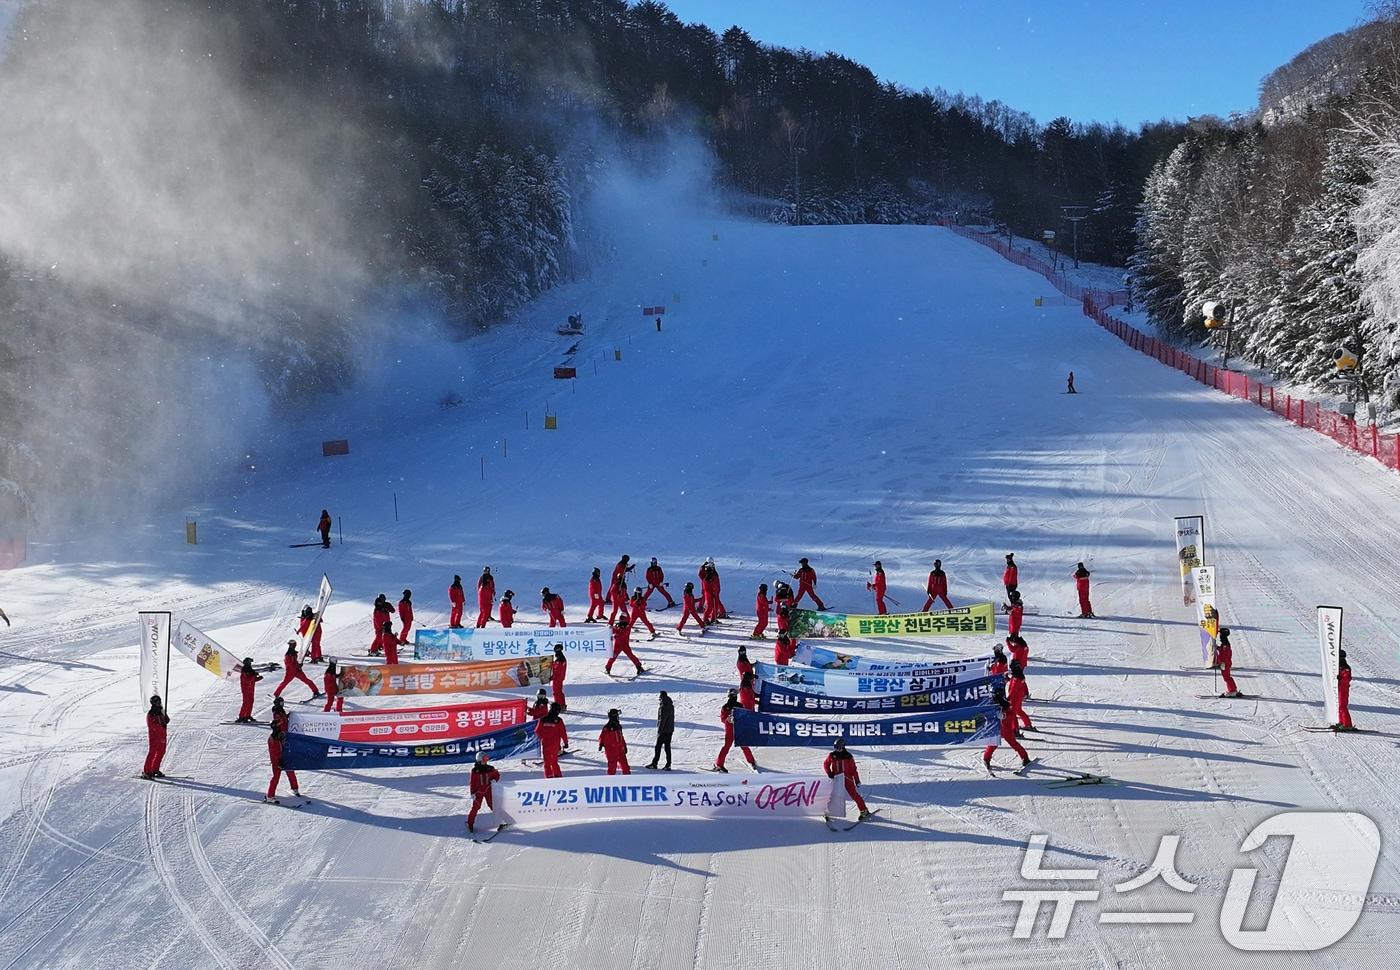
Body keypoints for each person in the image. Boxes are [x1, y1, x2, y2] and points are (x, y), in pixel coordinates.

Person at [824, 739, 872, 820]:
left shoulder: (848, 756)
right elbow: (826, 764)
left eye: (839, 748)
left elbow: (853, 770)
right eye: (836, 748)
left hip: (847, 779)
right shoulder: (832, 755)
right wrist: (829, 772)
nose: (837, 750)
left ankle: (864, 811)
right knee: (832, 795)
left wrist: (857, 780)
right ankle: (828, 812)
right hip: (836, 778)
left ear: (843, 747)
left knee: (854, 795)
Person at [983, 694, 1031, 773]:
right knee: (993, 745)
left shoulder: (1007, 708)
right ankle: (986, 759)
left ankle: (1025, 758)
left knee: (1013, 744)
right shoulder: (995, 707)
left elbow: (1011, 716)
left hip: (1006, 730)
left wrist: (1004, 716)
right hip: (998, 730)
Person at [714, 688, 757, 772]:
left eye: (735, 695)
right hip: (732, 729)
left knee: (740, 746)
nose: (734, 697)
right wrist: (728, 719)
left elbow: (744, 717)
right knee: (734, 746)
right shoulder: (728, 707)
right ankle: (719, 764)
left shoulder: (736, 706)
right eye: (733, 696)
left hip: (736, 729)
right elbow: (724, 719)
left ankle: (751, 761)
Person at [264, 726, 301, 803]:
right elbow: (273, 754)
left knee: (291, 773)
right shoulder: (272, 740)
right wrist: (278, 763)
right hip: (277, 762)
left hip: (285, 759)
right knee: (276, 778)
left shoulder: (281, 735)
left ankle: (295, 789)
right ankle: (270, 796)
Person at [466, 753, 501, 833]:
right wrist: (473, 793)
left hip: (488, 790)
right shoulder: (475, 771)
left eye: (486, 759)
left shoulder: (490, 768)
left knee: (493, 805)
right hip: (478, 792)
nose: (486, 761)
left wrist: (495, 780)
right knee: (476, 807)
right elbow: (472, 783)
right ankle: (470, 823)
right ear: (479, 760)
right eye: (484, 759)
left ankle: (502, 821)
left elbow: (497, 775)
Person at [536, 703, 568, 778]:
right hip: (555, 745)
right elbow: (563, 732)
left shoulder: (542, 719)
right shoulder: (559, 720)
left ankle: (549, 776)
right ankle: (557, 775)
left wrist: (540, 739)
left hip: (546, 744)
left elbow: (537, 731)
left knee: (547, 762)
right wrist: (565, 742)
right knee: (554, 761)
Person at [142, 695, 170, 779]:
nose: (158, 703)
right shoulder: (151, 714)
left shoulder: (161, 711)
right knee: (152, 752)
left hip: (162, 735)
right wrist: (161, 725)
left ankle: (155, 769)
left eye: (159, 701)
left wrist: (166, 719)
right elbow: (152, 725)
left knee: (161, 751)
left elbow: (167, 719)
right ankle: (147, 771)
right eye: (157, 702)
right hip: (154, 736)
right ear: (153, 703)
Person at [598, 709, 631, 775]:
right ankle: (611, 781)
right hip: (611, 751)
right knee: (612, 767)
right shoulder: (607, 728)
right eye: (616, 716)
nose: (617, 718)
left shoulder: (618, 726)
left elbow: (621, 737)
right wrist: (601, 744)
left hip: (620, 749)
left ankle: (628, 778)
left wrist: (624, 746)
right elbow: (602, 736)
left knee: (625, 766)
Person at [647, 691, 674, 770]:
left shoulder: (663, 706)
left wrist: (660, 730)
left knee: (658, 747)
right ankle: (668, 764)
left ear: (662, 697)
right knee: (667, 747)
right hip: (670, 729)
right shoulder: (670, 705)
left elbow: (662, 719)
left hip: (664, 730)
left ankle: (655, 763)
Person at [1007, 660, 1034, 734]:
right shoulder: (1020, 674)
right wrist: (1009, 679)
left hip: (1014, 697)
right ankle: (1027, 724)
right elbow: (1019, 684)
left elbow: (1013, 689)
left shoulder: (1016, 677)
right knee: (1019, 711)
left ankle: (1015, 730)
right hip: (1019, 696)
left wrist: (1008, 698)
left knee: (1012, 713)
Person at [1216, 627, 1240, 698]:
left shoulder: (1225, 644)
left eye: (1220, 634)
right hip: (1225, 663)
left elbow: (1225, 654)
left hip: (1225, 663)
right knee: (1227, 677)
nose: (1219, 636)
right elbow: (1223, 651)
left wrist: (1222, 662)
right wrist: (1217, 648)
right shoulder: (1225, 643)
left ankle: (1232, 690)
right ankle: (1233, 689)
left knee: (1226, 677)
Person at [237, 657, 262, 723]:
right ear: (247, 663)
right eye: (249, 662)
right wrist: (254, 675)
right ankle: (241, 716)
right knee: (246, 702)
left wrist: (258, 678)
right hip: (246, 689)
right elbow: (247, 679)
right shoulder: (244, 670)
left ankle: (247, 715)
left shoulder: (250, 670)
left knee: (251, 702)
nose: (250, 663)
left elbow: (252, 680)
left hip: (251, 689)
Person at [1337, 649, 1355, 730]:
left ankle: (1347, 724)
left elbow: (1347, 678)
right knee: (1338, 706)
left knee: (1342, 706)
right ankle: (1341, 722)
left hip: (1343, 689)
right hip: (1338, 688)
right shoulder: (1338, 666)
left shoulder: (1345, 667)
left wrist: (1340, 678)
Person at [550, 644, 568, 710]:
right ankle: (562, 705)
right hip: (560, 678)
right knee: (559, 692)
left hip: (557, 679)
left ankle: (558, 706)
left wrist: (552, 677)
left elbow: (557, 670)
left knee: (556, 693)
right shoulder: (562, 658)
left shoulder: (559, 660)